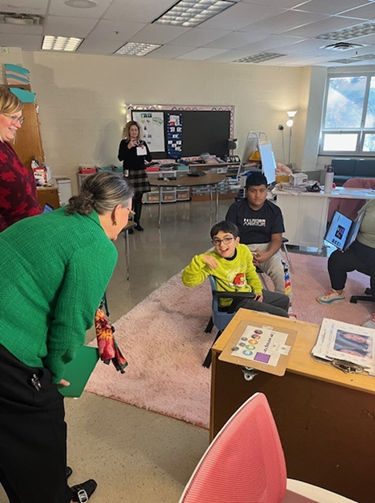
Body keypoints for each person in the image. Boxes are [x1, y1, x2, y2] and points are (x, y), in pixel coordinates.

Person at [0, 171, 133, 503]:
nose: (128, 218)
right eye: (129, 212)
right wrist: (56, 375)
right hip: (8, 343)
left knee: (10, 432)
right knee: (43, 418)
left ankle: (42, 473)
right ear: (117, 211)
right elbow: (70, 323)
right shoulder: (99, 246)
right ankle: (52, 489)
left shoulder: (51, 218)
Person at [182, 220, 290, 318]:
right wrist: (199, 260)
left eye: (227, 239)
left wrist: (257, 290)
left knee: (284, 300)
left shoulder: (243, 250)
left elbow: (250, 273)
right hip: (234, 301)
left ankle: (275, 329)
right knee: (282, 315)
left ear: (237, 241)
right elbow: (188, 281)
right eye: (217, 241)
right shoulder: (211, 260)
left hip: (248, 293)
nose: (222, 245)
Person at [316, 200, 375, 330]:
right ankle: (337, 292)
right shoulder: (371, 203)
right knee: (336, 259)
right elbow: (356, 225)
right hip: (358, 250)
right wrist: (345, 242)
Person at [226, 171, 286, 294]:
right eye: (253, 191)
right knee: (250, 284)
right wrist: (244, 255)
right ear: (246, 191)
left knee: (282, 271)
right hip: (242, 248)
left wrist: (267, 255)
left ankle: (285, 303)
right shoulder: (235, 208)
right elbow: (229, 238)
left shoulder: (274, 210)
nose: (258, 195)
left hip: (266, 247)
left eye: (262, 190)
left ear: (267, 191)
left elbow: (277, 239)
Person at [0, 85, 41, 231]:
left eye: (20, 119)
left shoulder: (5, 145)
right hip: (12, 240)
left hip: (29, 229)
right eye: (13, 118)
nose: (18, 125)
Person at [118, 120, 152, 232]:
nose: (134, 132)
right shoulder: (124, 143)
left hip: (140, 172)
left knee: (139, 199)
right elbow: (121, 157)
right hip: (129, 173)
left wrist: (144, 150)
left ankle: (137, 222)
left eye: (136, 130)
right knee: (130, 199)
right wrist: (129, 147)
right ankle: (129, 223)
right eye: (132, 130)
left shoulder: (142, 142)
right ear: (128, 131)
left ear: (138, 131)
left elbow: (149, 158)